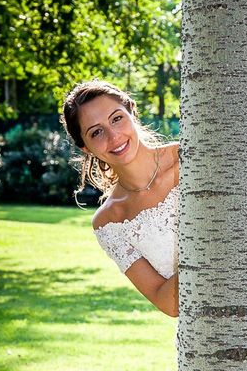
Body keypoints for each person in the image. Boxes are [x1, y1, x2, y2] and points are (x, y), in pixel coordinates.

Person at [61, 79, 179, 317]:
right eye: (96, 132)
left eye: (117, 118)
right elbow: (168, 304)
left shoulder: (188, 157)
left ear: (132, 112)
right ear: (85, 147)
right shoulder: (109, 222)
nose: (113, 136)